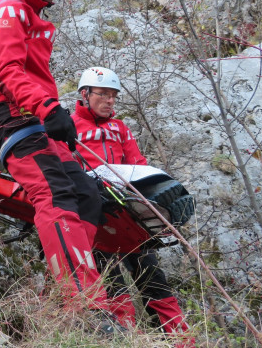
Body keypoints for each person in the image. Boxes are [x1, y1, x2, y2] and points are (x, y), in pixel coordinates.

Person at [0, 0, 122, 325]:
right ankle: (83, 301)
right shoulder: (9, 11)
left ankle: (64, 290)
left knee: (87, 195)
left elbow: (33, 76)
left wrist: (51, 113)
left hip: (33, 116)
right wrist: (49, 108)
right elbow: (7, 73)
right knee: (54, 192)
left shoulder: (36, 17)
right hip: (5, 115)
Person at [73, 66, 193, 344]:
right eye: (103, 94)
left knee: (153, 278)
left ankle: (181, 340)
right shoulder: (69, 127)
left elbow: (137, 164)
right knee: (112, 281)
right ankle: (130, 340)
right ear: (85, 94)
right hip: (94, 215)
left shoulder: (120, 128)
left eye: (114, 95)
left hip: (129, 214)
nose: (110, 100)